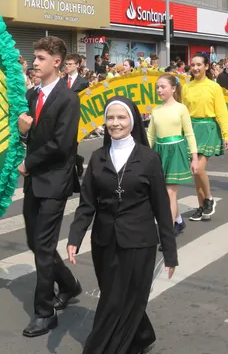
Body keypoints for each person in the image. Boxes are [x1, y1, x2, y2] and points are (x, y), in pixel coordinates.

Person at [67, 96, 178, 354]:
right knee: (116, 295)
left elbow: (162, 208)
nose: (115, 123)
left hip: (139, 242)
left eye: (121, 117)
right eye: (110, 118)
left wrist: (170, 253)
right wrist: (74, 237)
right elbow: (87, 204)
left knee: (115, 301)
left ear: (133, 121)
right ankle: (142, 335)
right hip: (104, 241)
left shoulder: (148, 159)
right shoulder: (97, 157)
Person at [16, 36, 81, 338]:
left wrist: (29, 162)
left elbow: (61, 144)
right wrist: (22, 133)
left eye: (41, 58)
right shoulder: (31, 96)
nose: (35, 64)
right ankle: (68, 285)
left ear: (57, 62)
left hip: (55, 180)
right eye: (35, 57)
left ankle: (45, 313)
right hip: (34, 182)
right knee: (35, 242)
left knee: (43, 246)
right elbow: (29, 136)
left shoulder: (68, 98)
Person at [182, 53, 228, 220]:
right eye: (193, 65)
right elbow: (182, 112)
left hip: (208, 128)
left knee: (199, 168)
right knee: (194, 172)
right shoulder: (186, 87)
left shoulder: (213, 87)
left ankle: (209, 198)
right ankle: (201, 205)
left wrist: (227, 135)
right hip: (191, 130)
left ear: (206, 67)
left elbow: (221, 112)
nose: (195, 68)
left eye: (199, 65)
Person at [147, 74, 198, 235]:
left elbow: (189, 133)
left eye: (163, 87)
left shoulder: (181, 109)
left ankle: (166, 233)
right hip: (159, 152)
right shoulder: (155, 110)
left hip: (176, 151)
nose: (159, 90)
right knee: (161, 193)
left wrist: (194, 157)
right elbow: (150, 136)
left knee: (170, 193)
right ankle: (178, 221)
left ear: (173, 89)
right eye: (157, 87)